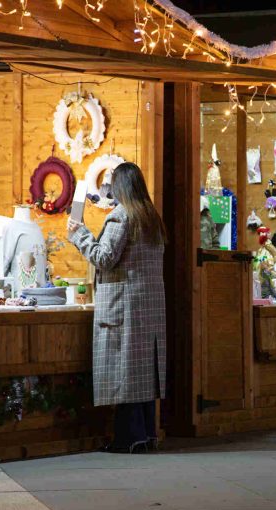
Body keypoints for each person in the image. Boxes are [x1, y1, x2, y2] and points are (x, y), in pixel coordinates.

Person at [67, 162, 167, 453]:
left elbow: (104, 257)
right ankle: (146, 435)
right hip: (148, 305)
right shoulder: (151, 217)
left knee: (126, 373)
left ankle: (129, 438)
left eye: (111, 183)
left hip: (123, 306)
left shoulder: (121, 217)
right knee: (143, 373)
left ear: (121, 186)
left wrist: (79, 234)